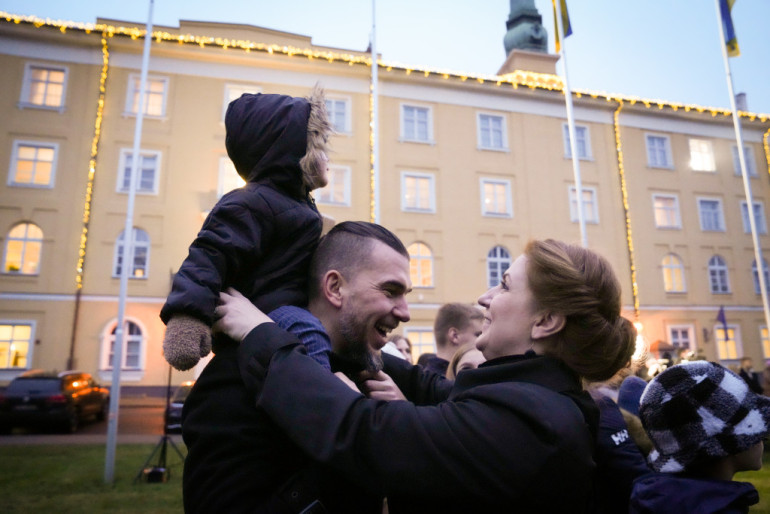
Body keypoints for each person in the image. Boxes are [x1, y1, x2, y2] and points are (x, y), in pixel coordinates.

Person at [215, 238, 637, 512]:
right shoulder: (532, 397)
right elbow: (432, 389)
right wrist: (353, 335)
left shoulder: (534, 421)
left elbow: (367, 435)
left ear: (545, 321)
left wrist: (261, 336)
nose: (485, 297)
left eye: (505, 286)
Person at [182, 221, 424, 513]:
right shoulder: (237, 374)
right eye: (390, 291)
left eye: (405, 294)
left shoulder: (369, 379)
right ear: (335, 288)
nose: (405, 313)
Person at [160, 85, 332, 371]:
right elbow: (208, 256)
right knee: (309, 333)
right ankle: (320, 405)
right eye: (320, 148)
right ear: (291, 150)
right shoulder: (251, 202)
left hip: (285, 306)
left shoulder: (298, 205)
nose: (327, 158)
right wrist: (188, 316)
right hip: (268, 310)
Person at [630, 360, 770, 513]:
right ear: (727, 447)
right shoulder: (720, 508)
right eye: (753, 429)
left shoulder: (659, 499)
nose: (763, 437)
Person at [422, 303, 483, 376]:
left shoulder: (426, 379)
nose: (483, 340)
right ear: (455, 336)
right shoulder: (444, 383)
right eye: (478, 335)